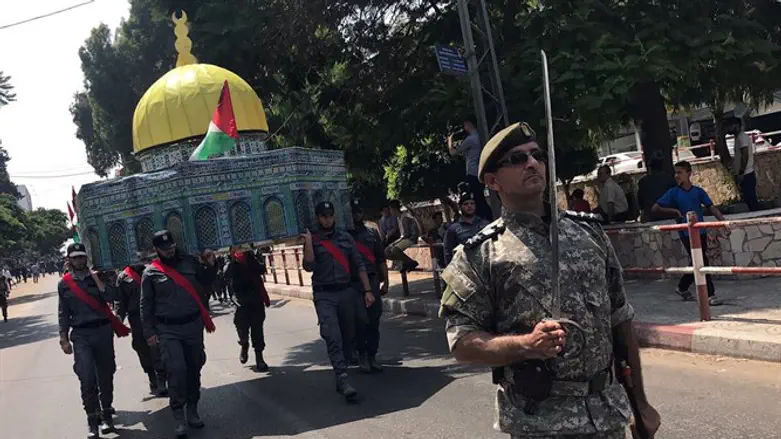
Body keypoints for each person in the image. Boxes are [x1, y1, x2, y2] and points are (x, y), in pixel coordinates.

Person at [440, 122, 660, 439]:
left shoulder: (589, 232)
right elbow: (462, 343)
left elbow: (620, 319)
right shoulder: (480, 255)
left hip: (606, 415)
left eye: (536, 155)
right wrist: (526, 345)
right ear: (492, 181)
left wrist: (640, 404)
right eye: (516, 160)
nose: (531, 163)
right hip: (539, 424)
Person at [141, 230, 217, 438]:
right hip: (168, 329)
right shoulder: (150, 273)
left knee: (194, 367)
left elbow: (207, 281)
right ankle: (178, 417)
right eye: (165, 248)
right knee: (176, 370)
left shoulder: (190, 263)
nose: (170, 250)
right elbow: (145, 305)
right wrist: (149, 332)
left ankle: (192, 410)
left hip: (192, 325)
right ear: (157, 250)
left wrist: (211, 264)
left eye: (172, 246)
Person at [302, 201, 374, 401]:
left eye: (330, 215)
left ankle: (346, 362)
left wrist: (367, 290)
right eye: (323, 216)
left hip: (345, 292)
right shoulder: (313, 240)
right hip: (325, 295)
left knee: (348, 333)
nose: (327, 219)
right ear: (318, 218)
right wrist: (308, 242)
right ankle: (342, 377)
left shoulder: (345, 237)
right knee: (332, 335)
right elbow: (308, 267)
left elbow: (358, 264)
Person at [58, 243, 124, 438]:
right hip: (81, 335)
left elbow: (111, 297)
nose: (79, 260)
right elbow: (63, 312)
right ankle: (92, 419)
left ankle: (107, 413)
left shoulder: (99, 276)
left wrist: (98, 279)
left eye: (82, 257)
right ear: (69, 260)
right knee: (86, 377)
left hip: (102, 331)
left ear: (86, 258)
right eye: (75, 257)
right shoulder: (65, 283)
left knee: (106, 373)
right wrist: (63, 338)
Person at [652, 161, 726, 306]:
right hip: (686, 233)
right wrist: (674, 211)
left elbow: (711, 208)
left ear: (688, 173)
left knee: (698, 261)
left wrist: (722, 222)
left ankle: (682, 286)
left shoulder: (698, 191)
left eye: (680, 172)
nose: (677, 175)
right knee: (702, 261)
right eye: (676, 172)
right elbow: (656, 208)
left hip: (701, 230)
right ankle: (710, 294)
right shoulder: (673, 193)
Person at [349, 200, 388, 374]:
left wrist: (386, 281)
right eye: (354, 212)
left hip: (372, 281)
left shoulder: (372, 233)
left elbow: (381, 259)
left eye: (359, 211)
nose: (357, 215)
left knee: (374, 319)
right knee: (359, 321)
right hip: (353, 283)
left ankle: (372, 355)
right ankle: (362, 354)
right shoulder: (344, 235)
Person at [117, 262, 168, 397]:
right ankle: (152, 376)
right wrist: (118, 321)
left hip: (154, 315)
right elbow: (120, 301)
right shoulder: (123, 277)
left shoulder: (153, 271)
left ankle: (161, 378)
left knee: (157, 346)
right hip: (136, 319)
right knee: (142, 348)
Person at [224, 247, 270, 372]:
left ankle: (259, 358)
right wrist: (232, 259)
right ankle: (244, 345)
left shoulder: (252, 258)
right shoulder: (231, 263)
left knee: (257, 330)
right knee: (242, 330)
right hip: (240, 303)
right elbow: (226, 274)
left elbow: (262, 269)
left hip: (255, 301)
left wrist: (260, 255)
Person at [448, 115, 493, 221]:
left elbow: (453, 152)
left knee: (476, 199)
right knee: (479, 198)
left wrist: (449, 140)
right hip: (477, 171)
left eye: (465, 125)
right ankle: (486, 218)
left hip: (472, 172)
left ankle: (485, 219)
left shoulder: (471, 139)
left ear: (469, 124)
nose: (464, 128)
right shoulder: (477, 137)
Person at [442, 189, 490, 266]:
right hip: (467, 267)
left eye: (472, 203)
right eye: (466, 204)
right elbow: (448, 253)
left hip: (486, 265)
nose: (469, 206)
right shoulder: (453, 229)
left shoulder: (485, 224)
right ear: (460, 207)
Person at [637, 151, 677, 222]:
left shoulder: (643, 182)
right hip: (669, 216)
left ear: (650, 168)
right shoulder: (671, 180)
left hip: (650, 217)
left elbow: (641, 203)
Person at [384, 200, 421, 272]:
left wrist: (395, 243)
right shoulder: (399, 218)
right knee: (386, 252)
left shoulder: (404, 217)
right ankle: (404, 262)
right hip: (405, 238)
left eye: (390, 209)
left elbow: (406, 234)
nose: (390, 212)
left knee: (394, 249)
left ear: (394, 209)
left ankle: (411, 262)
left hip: (411, 238)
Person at [732, 122, 760, 211]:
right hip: (745, 173)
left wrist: (741, 172)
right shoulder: (738, 137)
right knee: (749, 199)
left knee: (751, 199)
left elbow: (745, 155)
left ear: (737, 126)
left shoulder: (742, 137)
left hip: (746, 173)